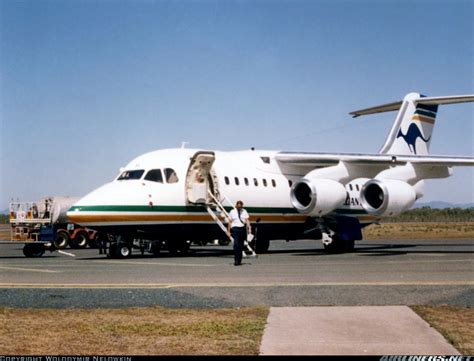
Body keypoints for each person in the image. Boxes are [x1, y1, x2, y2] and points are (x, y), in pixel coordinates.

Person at [227, 200, 251, 266]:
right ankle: (236, 260)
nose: (239, 208)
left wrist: (249, 228)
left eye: (240, 207)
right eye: (238, 207)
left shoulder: (244, 211)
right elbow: (229, 222)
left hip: (242, 229)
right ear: (236, 206)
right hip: (235, 229)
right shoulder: (232, 212)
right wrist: (228, 231)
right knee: (236, 245)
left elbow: (247, 220)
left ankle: (239, 260)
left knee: (240, 246)